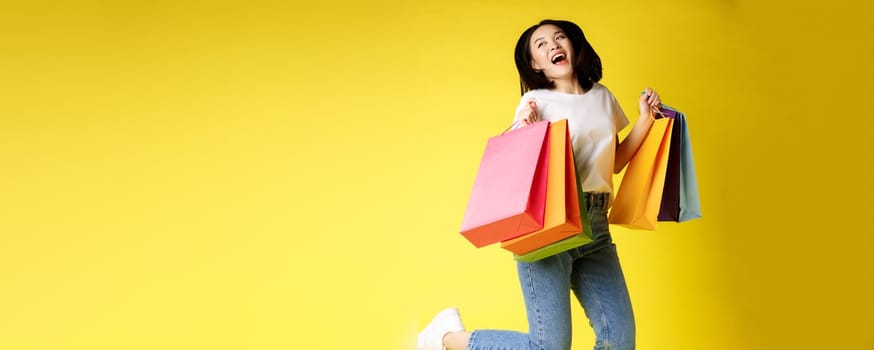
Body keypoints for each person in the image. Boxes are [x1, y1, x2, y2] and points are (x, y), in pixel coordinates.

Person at [417, 19, 663, 350]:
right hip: (548, 226)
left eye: (560, 38)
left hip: (596, 226)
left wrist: (646, 119)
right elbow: (521, 162)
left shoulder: (603, 97)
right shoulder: (536, 101)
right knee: (548, 347)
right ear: (535, 64)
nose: (553, 46)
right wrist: (526, 126)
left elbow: (613, 161)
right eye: (542, 45)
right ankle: (446, 339)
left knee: (620, 339)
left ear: (574, 46)